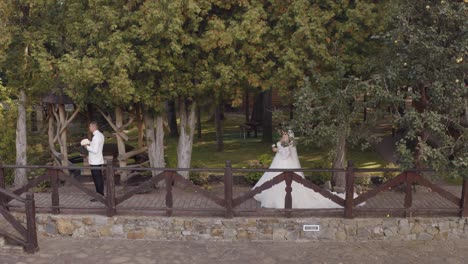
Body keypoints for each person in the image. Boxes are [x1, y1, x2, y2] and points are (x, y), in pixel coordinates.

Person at [253, 129, 364, 208]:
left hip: (285, 163)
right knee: (273, 178)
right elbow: (277, 149)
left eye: (285, 134)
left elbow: (285, 154)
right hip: (278, 162)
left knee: (286, 181)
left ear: (288, 135)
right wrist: (276, 147)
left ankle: (283, 201)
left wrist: (279, 148)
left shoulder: (289, 144)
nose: (283, 135)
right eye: (283, 134)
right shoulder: (282, 141)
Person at [82, 121, 105, 201]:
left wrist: (86, 146)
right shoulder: (100, 135)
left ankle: (99, 195)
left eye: (90, 127)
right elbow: (96, 146)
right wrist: (90, 142)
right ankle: (101, 194)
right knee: (99, 178)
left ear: (93, 127)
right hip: (98, 160)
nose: (89, 128)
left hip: (95, 161)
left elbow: (94, 150)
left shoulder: (96, 137)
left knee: (97, 179)